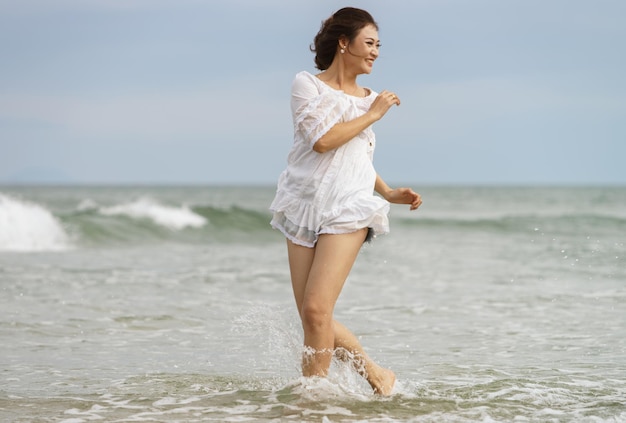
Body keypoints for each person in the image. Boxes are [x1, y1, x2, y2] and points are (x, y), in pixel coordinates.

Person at [269, 7, 422, 396]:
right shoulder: (308, 85)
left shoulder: (371, 100)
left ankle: (311, 402)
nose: (375, 52)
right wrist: (372, 114)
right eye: (368, 43)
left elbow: (355, 159)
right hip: (304, 202)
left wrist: (386, 192)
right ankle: (375, 374)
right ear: (343, 43)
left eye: (377, 46)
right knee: (312, 316)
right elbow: (323, 142)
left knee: (317, 310)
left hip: (348, 207)